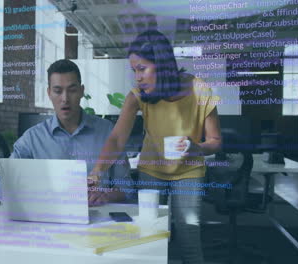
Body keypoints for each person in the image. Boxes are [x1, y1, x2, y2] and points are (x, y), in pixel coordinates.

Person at [89, 30, 222, 264]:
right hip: (152, 169)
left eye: (142, 69)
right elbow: (117, 139)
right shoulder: (137, 96)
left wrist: (196, 149)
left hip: (189, 170)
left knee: (188, 234)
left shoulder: (198, 89)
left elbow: (216, 141)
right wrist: (97, 171)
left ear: (162, 65)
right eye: (134, 71)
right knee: (149, 235)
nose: (137, 77)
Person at [0, 59, 131, 206]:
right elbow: (2, 185)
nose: (65, 99)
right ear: (49, 93)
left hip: (96, 217)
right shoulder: (32, 139)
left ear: (81, 91)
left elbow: (127, 188)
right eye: (58, 91)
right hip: (48, 218)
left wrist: (106, 196)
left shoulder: (108, 132)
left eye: (72, 90)